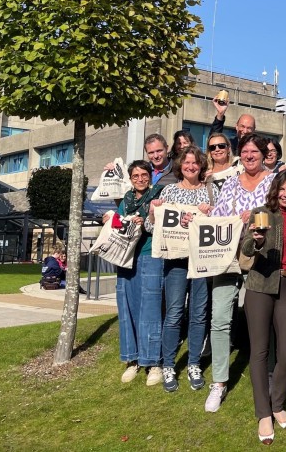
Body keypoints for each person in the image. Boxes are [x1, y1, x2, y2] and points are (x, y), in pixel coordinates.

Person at [206, 133, 276, 412]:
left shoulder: (274, 181)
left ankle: (268, 376)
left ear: (263, 154)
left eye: (254, 152)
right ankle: (219, 382)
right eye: (245, 152)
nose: (249, 156)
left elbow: (279, 214)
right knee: (220, 318)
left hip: (258, 260)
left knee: (261, 321)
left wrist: (257, 213)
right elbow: (218, 216)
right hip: (226, 258)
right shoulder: (232, 181)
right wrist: (199, 215)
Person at [242, 170, 286, 445]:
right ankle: (264, 413)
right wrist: (256, 241)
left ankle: (277, 403)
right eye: (282, 189)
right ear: (275, 190)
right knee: (259, 351)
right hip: (260, 287)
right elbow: (246, 248)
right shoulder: (261, 213)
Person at [146, 147, 216, 394]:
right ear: (180, 165)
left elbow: (218, 226)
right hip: (175, 263)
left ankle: (194, 363)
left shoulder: (211, 191)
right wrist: (154, 212)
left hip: (201, 261)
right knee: (174, 313)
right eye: (186, 162)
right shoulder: (170, 190)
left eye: (195, 163)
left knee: (198, 314)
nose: (190, 166)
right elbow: (150, 227)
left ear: (201, 166)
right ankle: (168, 365)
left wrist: (207, 214)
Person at [104, 160, 164, 386]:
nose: (140, 179)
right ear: (130, 179)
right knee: (127, 307)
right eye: (135, 176)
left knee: (150, 308)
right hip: (125, 256)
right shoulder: (127, 199)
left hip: (149, 254)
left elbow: (161, 224)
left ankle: (153, 362)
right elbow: (118, 222)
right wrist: (110, 219)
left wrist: (147, 218)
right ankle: (133, 360)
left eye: (144, 174)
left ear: (150, 176)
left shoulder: (158, 195)